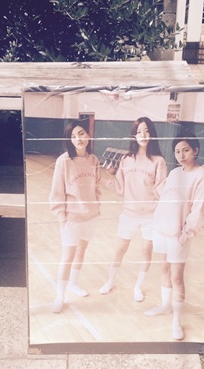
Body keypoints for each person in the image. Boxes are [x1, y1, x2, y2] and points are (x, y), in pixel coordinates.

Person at [145, 130, 204, 340]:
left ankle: (177, 321)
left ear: (195, 150)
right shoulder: (174, 173)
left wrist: (186, 234)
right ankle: (165, 305)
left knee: (177, 276)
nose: (181, 155)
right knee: (164, 268)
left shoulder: (200, 176)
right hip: (162, 230)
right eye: (177, 151)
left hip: (178, 235)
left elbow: (199, 209)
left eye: (186, 150)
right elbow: (164, 196)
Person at [99, 117, 167, 302]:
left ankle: (138, 286)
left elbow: (161, 189)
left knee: (146, 251)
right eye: (139, 132)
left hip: (151, 216)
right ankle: (110, 280)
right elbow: (120, 187)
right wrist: (108, 177)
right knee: (120, 248)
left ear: (152, 134)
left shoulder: (158, 161)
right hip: (129, 213)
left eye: (146, 131)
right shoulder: (126, 159)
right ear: (134, 135)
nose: (143, 135)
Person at [49, 119, 101, 313]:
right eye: (73, 136)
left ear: (88, 135)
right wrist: (61, 217)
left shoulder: (94, 160)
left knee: (81, 251)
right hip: (71, 218)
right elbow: (56, 192)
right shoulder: (63, 161)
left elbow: (96, 187)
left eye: (81, 134)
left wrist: (97, 208)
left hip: (91, 216)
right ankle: (60, 296)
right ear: (69, 140)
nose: (78, 139)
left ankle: (73, 283)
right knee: (67, 256)